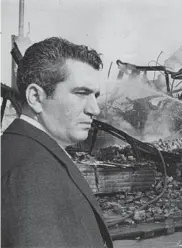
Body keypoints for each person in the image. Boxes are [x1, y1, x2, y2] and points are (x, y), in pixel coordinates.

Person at [1, 37, 113, 248]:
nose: (95, 109)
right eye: (81, 93)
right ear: (35, 97)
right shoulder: (31, 172)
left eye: (95, 96)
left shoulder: (22, 152)